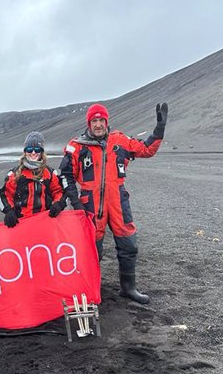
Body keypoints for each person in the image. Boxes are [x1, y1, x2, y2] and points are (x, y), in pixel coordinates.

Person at [59, 102, 168, 304]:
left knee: (129, 246)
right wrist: (76, 203)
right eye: (94, 121)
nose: (98, 124)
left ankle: (128, 288)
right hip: (90, 205)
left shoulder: (119, 141)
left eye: (101, 120)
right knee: (91, 252)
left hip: (118, 201)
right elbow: (65, 176)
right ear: (89, 124)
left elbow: (146, 150)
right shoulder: (77, 146)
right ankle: (89, 291)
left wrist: (159, 130)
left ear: (106, 121)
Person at [0, 131, 66, 228]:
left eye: (37, 149)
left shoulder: (50, 173)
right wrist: (9, 210)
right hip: (21, 224)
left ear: (41, 152)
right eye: (29, 149)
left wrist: (58, 204)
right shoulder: (15, 174)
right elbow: (5, 195)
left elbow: (59, 192)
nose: (33, 152)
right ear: (25, 151)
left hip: (45, 223)